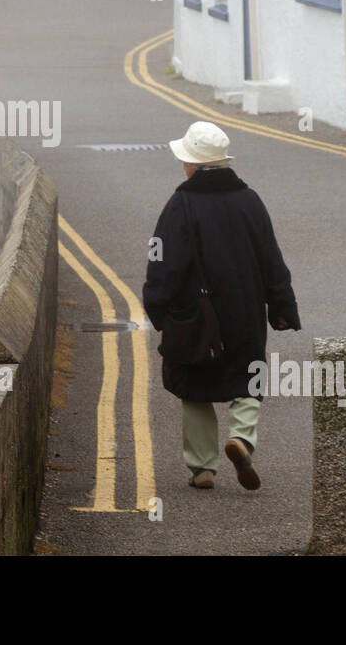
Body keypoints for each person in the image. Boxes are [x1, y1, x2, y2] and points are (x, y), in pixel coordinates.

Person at [142, 121, 300, 491]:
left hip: (195, 314)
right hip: (244, 308)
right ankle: (242, 439)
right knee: (248, 375)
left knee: (193, 382)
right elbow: (270, 257)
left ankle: (202, 469)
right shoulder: (250, 200)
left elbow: (162, 259)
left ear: (192, 165)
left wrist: (158, 305)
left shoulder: (181, 204)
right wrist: (281, 305)